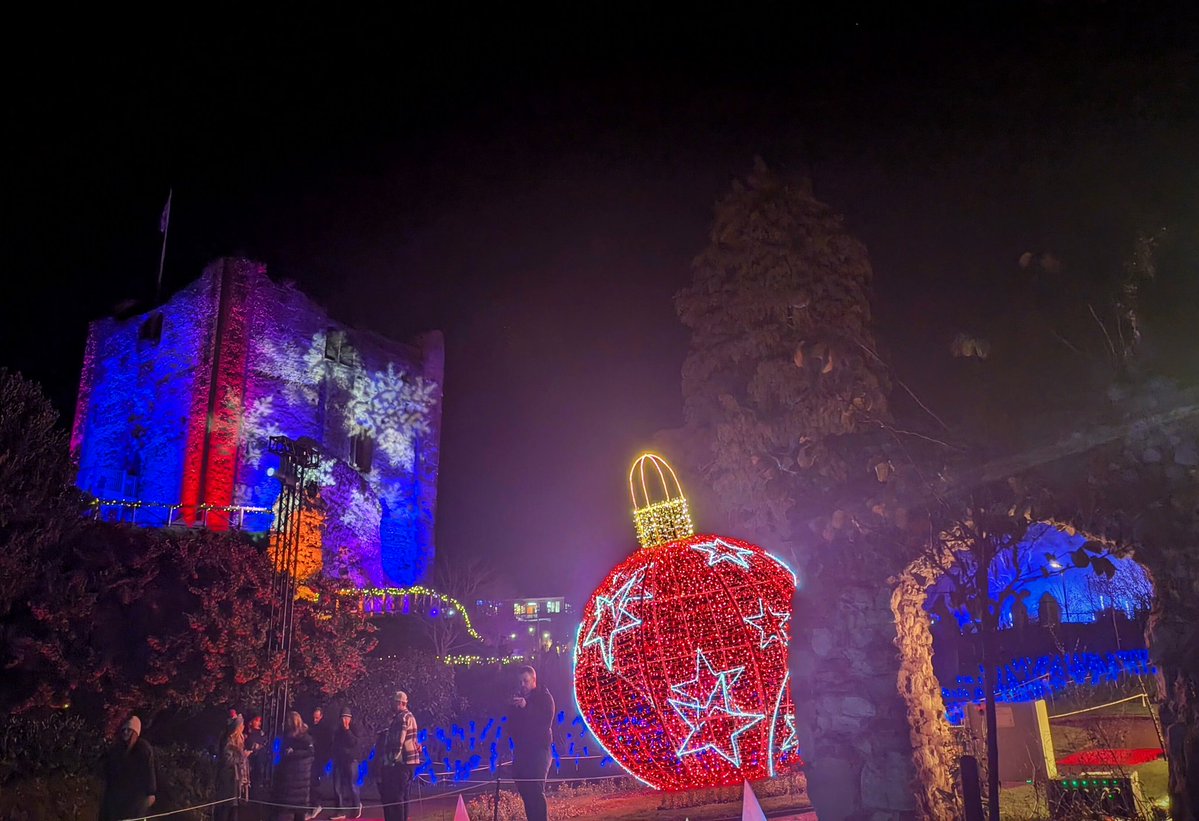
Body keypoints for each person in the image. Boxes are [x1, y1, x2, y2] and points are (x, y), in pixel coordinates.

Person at [508, 665, 555, 821]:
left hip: (540, 750)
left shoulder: (544, 698)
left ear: (534, 680)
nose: (522, 685)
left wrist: (526, 707)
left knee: (535, 789)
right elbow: (512, 725)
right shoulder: (517, 698)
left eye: (525, 681)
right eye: (520, 681)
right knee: (525, 789)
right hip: (522, 751)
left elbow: (543, 721)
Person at [99, 715, 157, 821]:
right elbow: (110, 769)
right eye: (124, 730)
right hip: (116, 794)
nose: (125, 732)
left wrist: (151, 792)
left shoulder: (143, 748)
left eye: (129, 730)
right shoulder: (118, 748)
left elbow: (148, 770)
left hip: (135, 796)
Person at [376, 690, 420, 821]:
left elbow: (399, 741)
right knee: (404, 797)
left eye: (394, 702)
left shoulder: (402, 718)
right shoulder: (411, 716)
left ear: (400, 703)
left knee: (396, 798)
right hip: (411, 762)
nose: (392, 705)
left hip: (401, 763)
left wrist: (391, 760)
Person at [274, 711, 320, 821]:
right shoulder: (287, 737)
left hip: (301, 779)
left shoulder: (306, 738)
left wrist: (293, 753)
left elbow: (310, 753)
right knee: (288, 811)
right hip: (290, 779)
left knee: (299, 811)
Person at [214, 713, 249, 821]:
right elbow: (227, 760)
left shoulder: (240, 742)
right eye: (242, 725)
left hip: (236, 785)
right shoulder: (228, 742)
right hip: (228, 783)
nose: (243, 727)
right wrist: (242, 756)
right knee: (225, 812)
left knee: (234, 813)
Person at [331, 706, 364, 818]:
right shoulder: (337, 730)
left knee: (352, 785)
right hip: (339, 760)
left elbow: (354, 743)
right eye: (343, 717)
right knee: (337, 786)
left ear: (350, 718)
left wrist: (347, 730)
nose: (344, 720)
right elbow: (334, 744)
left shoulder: (355, 728)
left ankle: (356, 806)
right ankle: (340, 810)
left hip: (351, 760)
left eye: (347, 717)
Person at [245, 712, 270, 803]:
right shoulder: (247, 733)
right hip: (250, 763)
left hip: (261, 763)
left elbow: (265, 744)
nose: (259, 723)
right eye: (256, 720)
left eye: (260, 721)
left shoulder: (262, 734)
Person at [310, 705, 332, 799]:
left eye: (317, 718)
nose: (315, 720)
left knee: (317, 777)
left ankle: (317, 798)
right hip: (314, 755)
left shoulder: (325, 728)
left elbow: (326, 743)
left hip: (320, 756)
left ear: (321, 716)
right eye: (314, 717)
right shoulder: (312, 726)